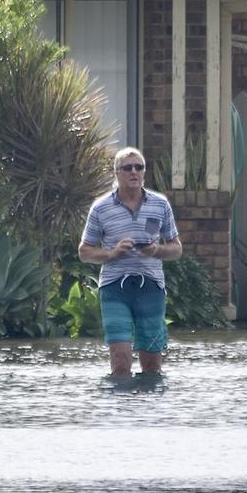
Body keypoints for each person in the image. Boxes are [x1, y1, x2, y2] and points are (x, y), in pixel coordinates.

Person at [78, 147, 182, 378]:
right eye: (127, 168)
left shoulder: (160, 204)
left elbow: (176, 249)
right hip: (115, 287)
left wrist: (156, 250)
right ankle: (120, 409)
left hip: (151, 286)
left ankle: (147, 410)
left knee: (152, 363)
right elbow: (84, 252)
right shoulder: (101, 207)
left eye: (139, 167)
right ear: (117, 173)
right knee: (121, 359)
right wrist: (112, 253)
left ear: (144, 172)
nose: (134, 172)